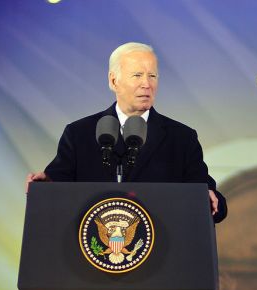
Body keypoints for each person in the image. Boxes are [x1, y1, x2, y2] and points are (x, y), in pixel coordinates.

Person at [26, 42, 227, 223]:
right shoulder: (79, 134)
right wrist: (45, 186)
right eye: (137, 75)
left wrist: (210, 199)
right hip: (93, 256)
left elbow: (213, 201)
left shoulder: (181, 138)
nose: (146, 84)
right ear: (114, 81)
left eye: (152, 76)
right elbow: (57, 192)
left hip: (162, 255)